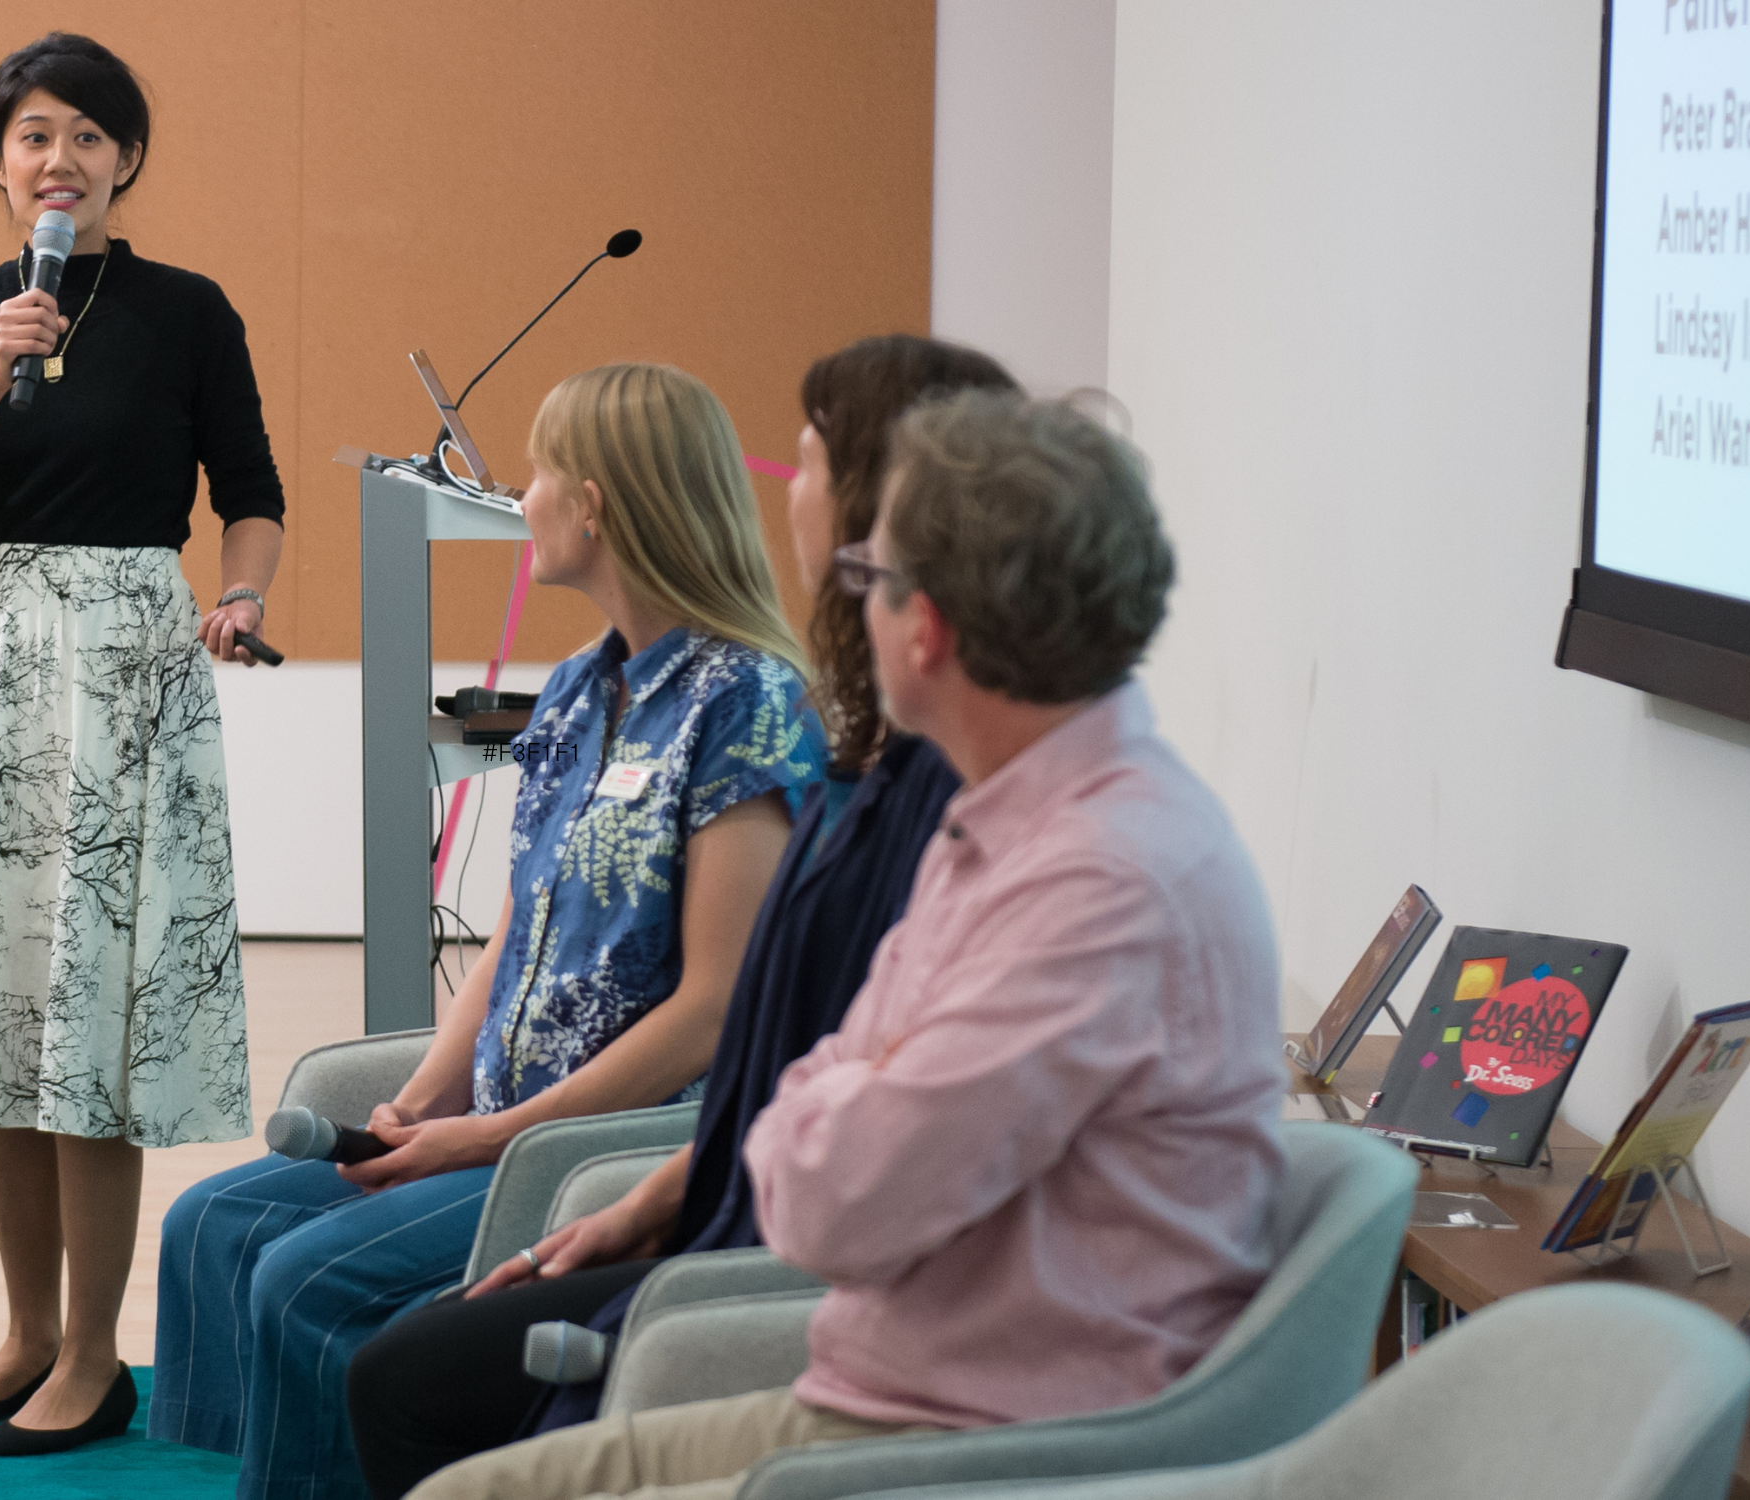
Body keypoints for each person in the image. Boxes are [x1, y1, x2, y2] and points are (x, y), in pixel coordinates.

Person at [409, 389, 1289, 1500]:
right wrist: (829, 1103)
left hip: (984, 1443)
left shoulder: (1094, 880)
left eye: (867, 581)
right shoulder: (1019, 823)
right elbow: (829, 1089)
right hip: (896, 1393)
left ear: (926, 628)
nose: (843, 608)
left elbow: (827, 1203)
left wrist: (824, 1107)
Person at [341, 336, 1016, 1500]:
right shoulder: (891, 768)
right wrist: (652, 1196)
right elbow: (826, 1054)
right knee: (315, 1294)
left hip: (794, 1268)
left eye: (803, 465)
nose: (784, 498)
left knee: (386, 1361)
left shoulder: (850, 752)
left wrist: (617, 1179)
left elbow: (810, 1066)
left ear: (886, 529)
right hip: (698, 1192)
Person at [149, 363, 827, 1500]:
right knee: (209, 1228)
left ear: (597, 503)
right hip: (500, 1114)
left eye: (540, 472)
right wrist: (429, 1092)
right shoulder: (572, 690)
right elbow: (515, 924)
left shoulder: (745, 702)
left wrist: (490, 1134)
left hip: (600, 1139)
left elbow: (717, 1006)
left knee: (304, 1284)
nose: (524, 496)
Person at [0, 33, 285, 1457]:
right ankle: (25, 1334)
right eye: (36, 134)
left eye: (92, 136)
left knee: (88, 1021)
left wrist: (241, 597)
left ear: (129, 161)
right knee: (1, 1009)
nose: (64, 159)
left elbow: (254, 487)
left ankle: (96, 1358)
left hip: (130, 661)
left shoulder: (189, 310)